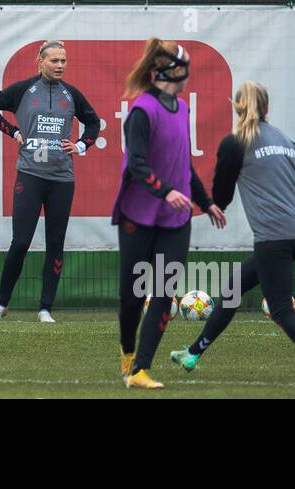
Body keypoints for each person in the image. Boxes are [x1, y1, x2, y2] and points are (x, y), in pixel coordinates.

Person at [169, 81, 295, 384]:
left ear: (237, 107)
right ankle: (193, 353)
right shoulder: (286, 141)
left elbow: (222, 191)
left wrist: (214, 205)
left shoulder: (236, 142)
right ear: (267, 108)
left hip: (274, 237)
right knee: (233, 288)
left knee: (281, 311)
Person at [113, 39, 225, 389]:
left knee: (163, 291)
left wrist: (205, 202)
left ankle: (140, 370)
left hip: (175, 220)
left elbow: (183, 164)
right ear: (165, 71)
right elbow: (137, 164)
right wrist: (166, 191)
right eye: (183, 66)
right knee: (132, 297)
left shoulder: (182, 108)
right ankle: (128, 351)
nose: (187, 73)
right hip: (139, 214)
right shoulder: (142, 111)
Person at [0, 40, 100, 324]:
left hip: (61, 179)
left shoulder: (71, 94)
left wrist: (82, 145)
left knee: (55, 243)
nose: (60, 65)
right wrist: (12, 132)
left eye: (63, 61)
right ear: (40, 61)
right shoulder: (22, 90)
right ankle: (0, 305)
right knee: (20, 242)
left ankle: (45, 308)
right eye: (54, 60)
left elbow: (94, 123)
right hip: (30, 175)